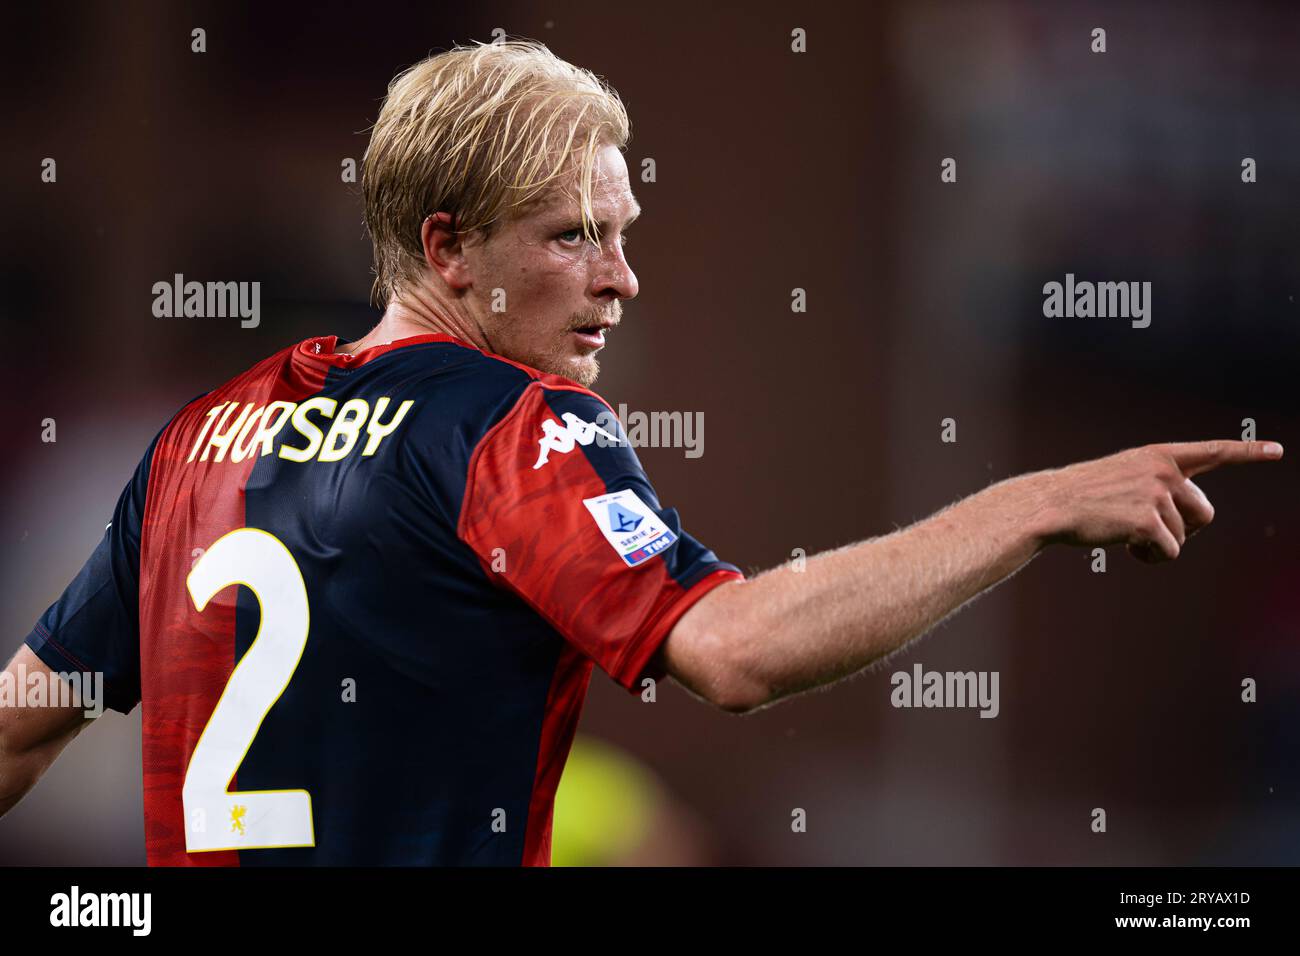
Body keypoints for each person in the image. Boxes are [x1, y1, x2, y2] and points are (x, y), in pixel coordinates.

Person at [0, 40, 1283, 866]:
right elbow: (730, 650)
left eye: (622, 229)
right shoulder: (507, 421)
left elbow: (18, 732)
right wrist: (1030, 505)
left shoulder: (190, 442)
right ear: (446, 250)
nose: (620, 279)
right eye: (572, 237)